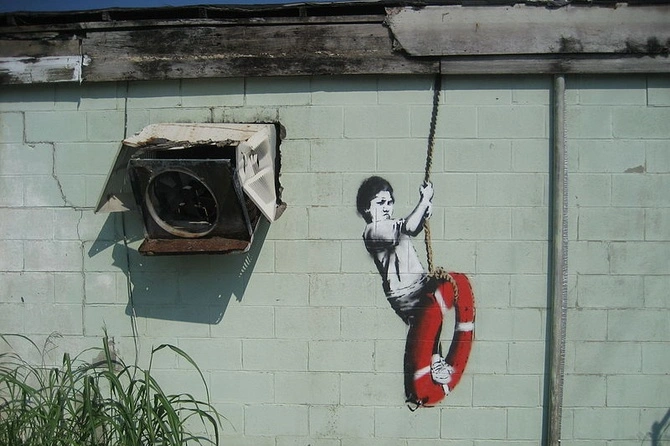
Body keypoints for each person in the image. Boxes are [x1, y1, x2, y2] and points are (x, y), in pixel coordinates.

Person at [356, 176, 453, 406]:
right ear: (366, 208)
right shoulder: (373, 231)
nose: (387, 207)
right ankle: (425, 372)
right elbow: (408, 227)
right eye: (380, 202)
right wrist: (424, 200)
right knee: (426, 321)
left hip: (420, 284)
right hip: (405, 294)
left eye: (390, 202)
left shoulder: (390, 225)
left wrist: (424, 210)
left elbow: (412, 226)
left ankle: (435, 360)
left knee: (432, 321)